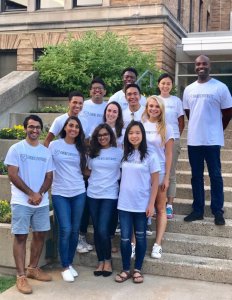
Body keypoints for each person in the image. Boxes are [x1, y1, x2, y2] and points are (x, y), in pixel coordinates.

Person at [4, 115, 54, 294]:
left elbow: (49, 176)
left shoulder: (45, 152)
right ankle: (21, 276)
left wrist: (39, 194)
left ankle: (33, 268)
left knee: (40, 234)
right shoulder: (16, 149)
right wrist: (30, 193)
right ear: (25, 128)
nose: (34, 130)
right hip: (21, 201)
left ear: (41, 129)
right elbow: (12, 174)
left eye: (37, 127)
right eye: (31, 127)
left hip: (40, 202)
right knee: (21, 237)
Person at [183, 55, 232, 225]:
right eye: (198, 64)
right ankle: (198, 210)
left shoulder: (220, 87)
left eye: (204, 63)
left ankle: (217, 210)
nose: (201, 66)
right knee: (196, 176)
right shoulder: (188, 89)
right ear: (195, 67)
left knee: (215, 176)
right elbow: (189, 113)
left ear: (210, 66)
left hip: (212, 140)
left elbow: (228, 112)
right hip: (194, 140)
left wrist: (218, 128)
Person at [115, 121, 160, 284]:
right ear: (127, 136)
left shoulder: (151, 155)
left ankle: (138, 269)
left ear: (142, 135)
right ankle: (126, 269)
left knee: (140, 238)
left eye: (137, 133)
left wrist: (151, 204)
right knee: (125, 238)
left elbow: (155, 182)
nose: (134, 136)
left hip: (142, 204)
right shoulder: (124, 154)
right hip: (124, 203)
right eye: (131, 133)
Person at [48, 116, 86, 282]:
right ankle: (64, 266)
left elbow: (85, 170)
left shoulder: (82, 148)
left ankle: (69, 263)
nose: (74, 129)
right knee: (65, 229)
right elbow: (46, 168)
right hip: (60, 193)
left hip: (78, 192)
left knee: (75, 229)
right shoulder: (54, 145)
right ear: (65, 127)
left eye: (77, 127)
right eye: (71, 125)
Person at [86, 124, 123, 277]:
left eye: (105, 134)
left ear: (110, 136)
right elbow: (87, 170)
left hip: (110, 194)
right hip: (93, 194)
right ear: (96, 137)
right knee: (96, 229)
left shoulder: (118, 152)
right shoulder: (92, 153)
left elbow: (123, 171)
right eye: (99, 135)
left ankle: (107, 260)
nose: (103, 137)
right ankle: (100, 261)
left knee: (102, 229)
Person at [142, 96, 174, 258]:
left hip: (159, 171)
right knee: (140, 207)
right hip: (141, 172)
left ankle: (158, 244)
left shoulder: (166, 128)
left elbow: (169, 154)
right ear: (146, 107)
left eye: (157, 106)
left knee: (160, 208)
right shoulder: (140, 125)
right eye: (151, 106)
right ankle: (134, 242)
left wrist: (167, 177)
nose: (153, 109)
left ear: (161, 109)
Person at [157, 73, 185, 218]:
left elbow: (181, 121)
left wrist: (175, 136)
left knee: (170, 172)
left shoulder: (176, 101)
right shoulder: (154, 100)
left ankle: (169, 205)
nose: (165, 86)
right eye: (163, 83)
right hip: (156, 140)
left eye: (168, 83)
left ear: (171, 85)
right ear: (158, 85)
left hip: (172, 140)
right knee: (156, 172)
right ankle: (157, 203)